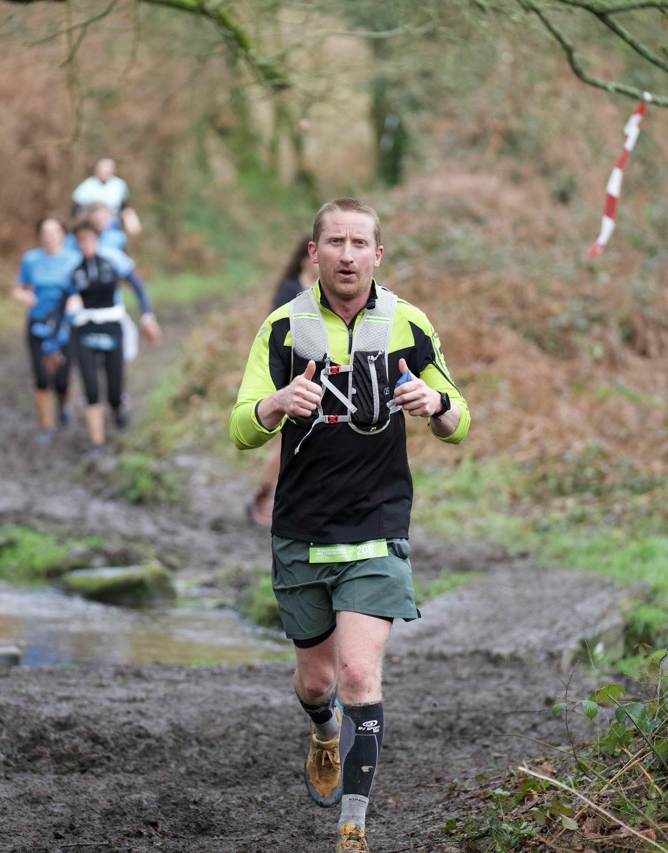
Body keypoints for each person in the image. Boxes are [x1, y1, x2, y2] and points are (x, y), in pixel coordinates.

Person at [229, 198, 469, 852]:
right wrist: (278, 402)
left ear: (377, 255)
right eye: (334, 241)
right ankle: (323, 729)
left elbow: (458, 420)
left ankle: (352, 829)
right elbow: (241, 426)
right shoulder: (283, 328)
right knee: (319, 682)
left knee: (360, 674)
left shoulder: (408, 324)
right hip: (302, 527)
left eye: (359, 243)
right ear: (314, 253)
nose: (346, 254)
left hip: (377, 524)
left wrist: (434, 402)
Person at [61, 217, 160, 455]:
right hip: (84, 327)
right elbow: (62, 300)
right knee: (91, 388)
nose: (85, 243)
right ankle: (96, 442)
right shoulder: (72, 267)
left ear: (97, 238)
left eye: (88, 238)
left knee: (114, 386)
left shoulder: (113, 259)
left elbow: (138, 286)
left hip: (112, 325)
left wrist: (147, 316)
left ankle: (117, 408)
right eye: (80, 239)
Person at [248, 236, 320, 526]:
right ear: (306, 257)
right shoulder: (289, 290)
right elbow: (276, 333)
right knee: (286, 440)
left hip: (318, 374)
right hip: (290, 374)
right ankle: (262, 495)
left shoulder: (323, 293)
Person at [10, 214, 82, 446]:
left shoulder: (74, 259)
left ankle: (63, 405)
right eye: (45, 233)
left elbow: (82, 291)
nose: (50, 237)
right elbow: (17, 289)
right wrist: (26, 298)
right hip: (38, 323)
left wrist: (75, 303)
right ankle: (46, 425)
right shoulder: (30, 259)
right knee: (41, 377)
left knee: (62, 378)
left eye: (54, 232)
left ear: (63, 234)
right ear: (40, 236)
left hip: (64, 326)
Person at [70, 157, 141, 238]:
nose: (106, 170)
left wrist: (131, 220)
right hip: (91, 227)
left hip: (112, 225)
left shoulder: (119, 185)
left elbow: (124, 207)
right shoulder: (87, 186)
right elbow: (75, 209)